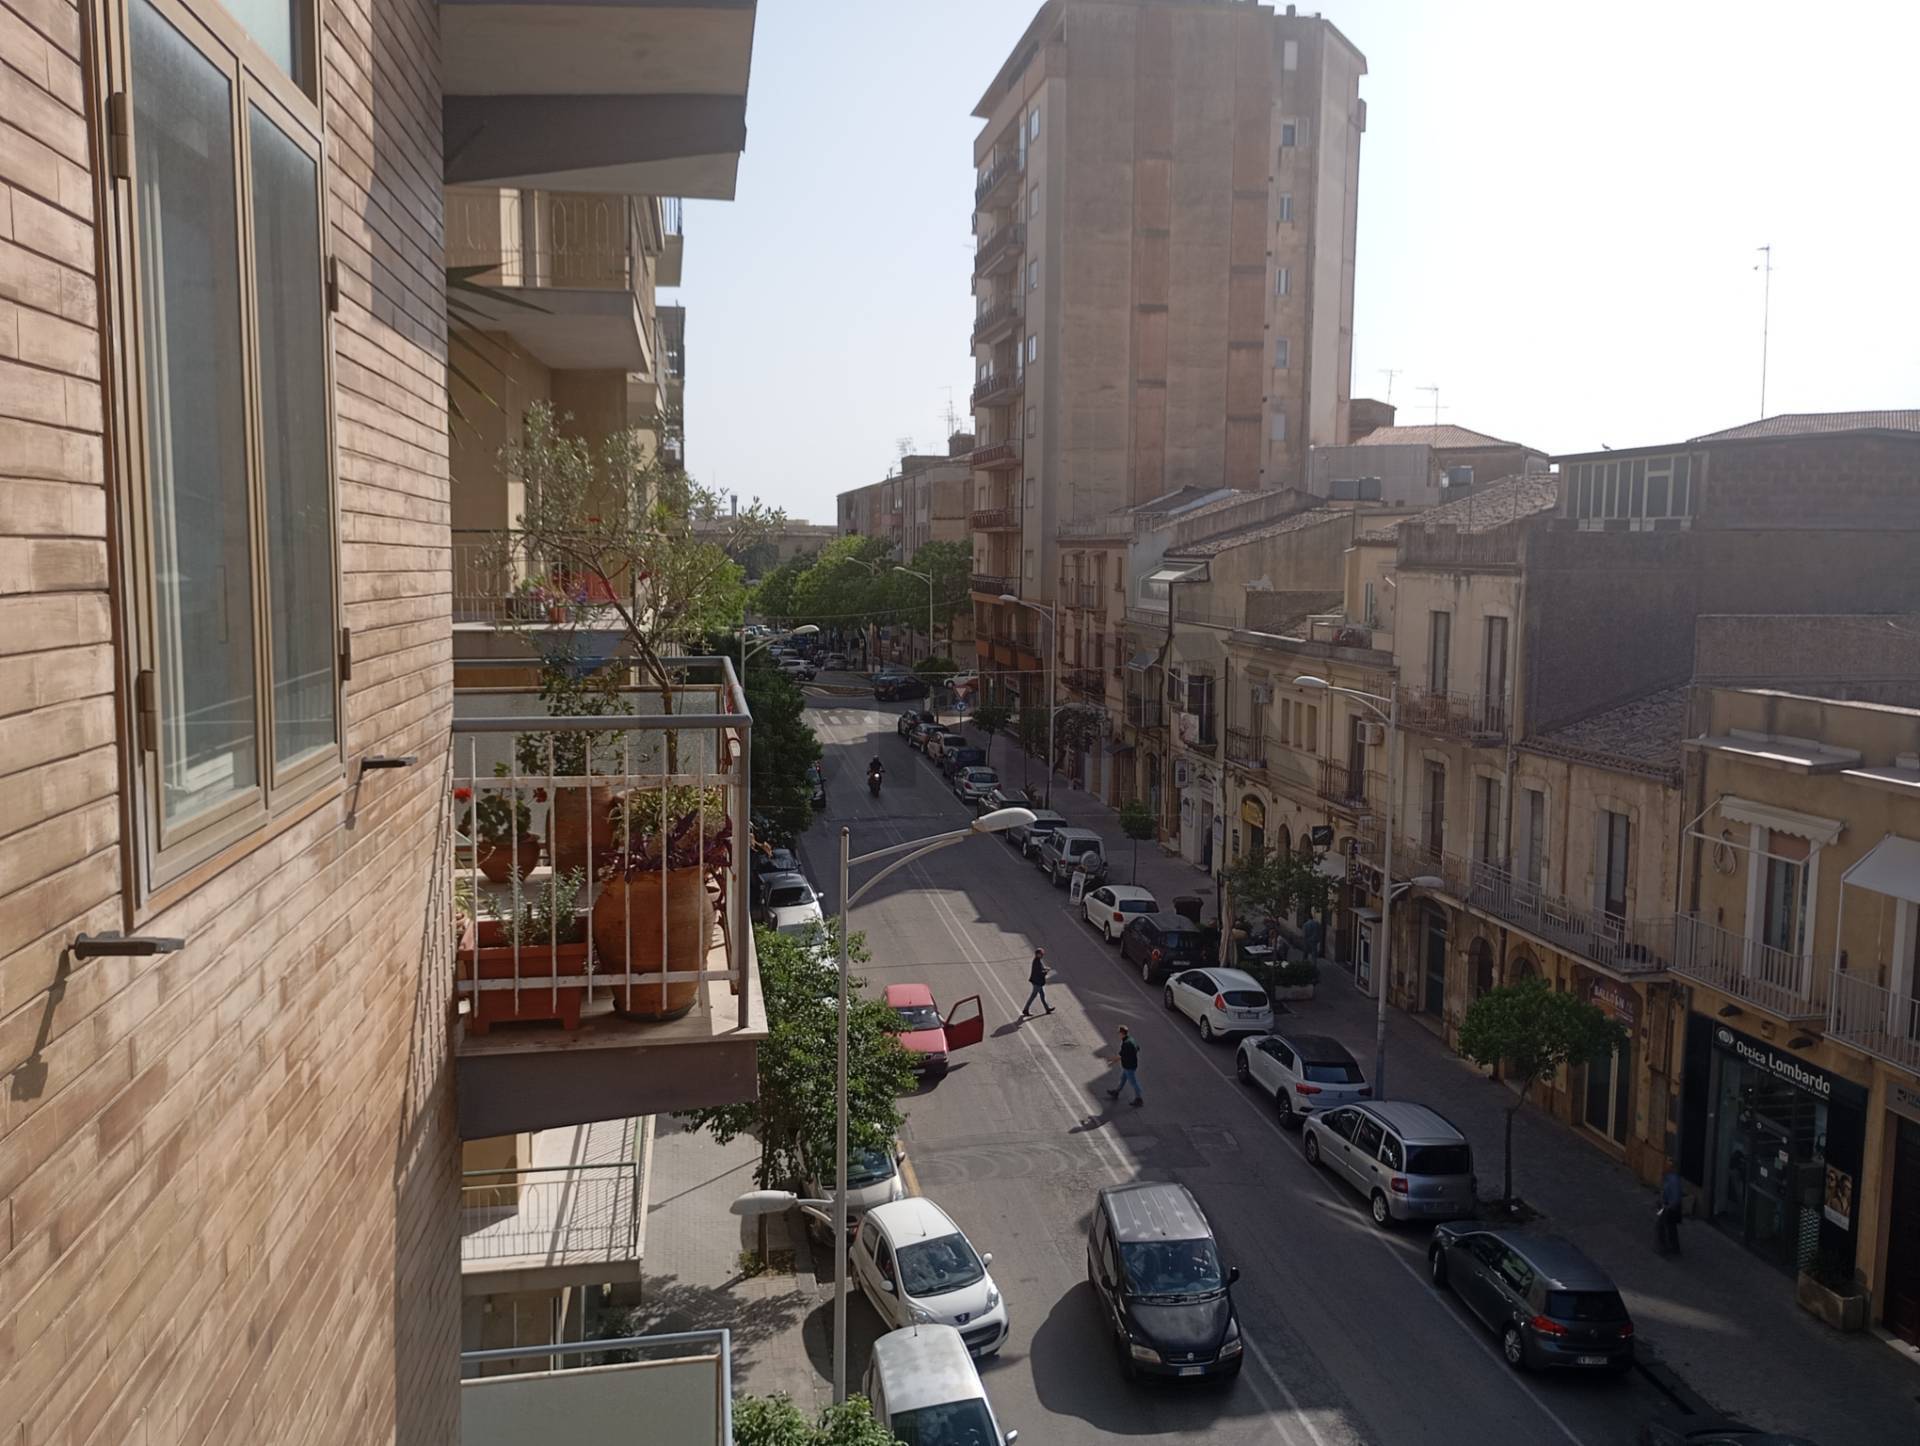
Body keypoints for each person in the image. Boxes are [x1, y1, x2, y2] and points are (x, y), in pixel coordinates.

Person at [1104, 1025, 1143, 1107]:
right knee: (1122, 1079)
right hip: (1129, 1065)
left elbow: (1120, 1056)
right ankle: (1116, 1092)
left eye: (1119, 1033)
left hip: (1129, 1066)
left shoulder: (1126, 1043)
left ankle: (1139, 1099)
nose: (1118, 1035)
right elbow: (1137, 1048)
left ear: (1122, 1033)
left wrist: (1111, 1061)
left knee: (1133, 1082)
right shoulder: (1130, 1039)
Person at [1657, 1166, 1684, 1255]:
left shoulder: (1673, 1180)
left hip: (1671, 1208)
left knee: (1663, 1226)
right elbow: (1664, 1192)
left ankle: (1664, 1248)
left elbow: (1675, 1199)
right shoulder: (1668, 1178)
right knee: (1669, 1227)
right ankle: (1673, 1248)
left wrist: (1668, 1207)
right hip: (1667, 1207)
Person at [1021, 948, 1054, 1017]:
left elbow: (1041, 969)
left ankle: (1047, 1009)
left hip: (1037, 981)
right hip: (1037, 982)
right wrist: (1046, 971)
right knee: (1033, 996)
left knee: (1042, 995)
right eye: (1041, 954)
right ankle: (1025, 1009)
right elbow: (1040, 973)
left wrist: (1045, 969)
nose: (1042, 955)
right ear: (1038, 954)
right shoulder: (1037, 962)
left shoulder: (1038, 961)